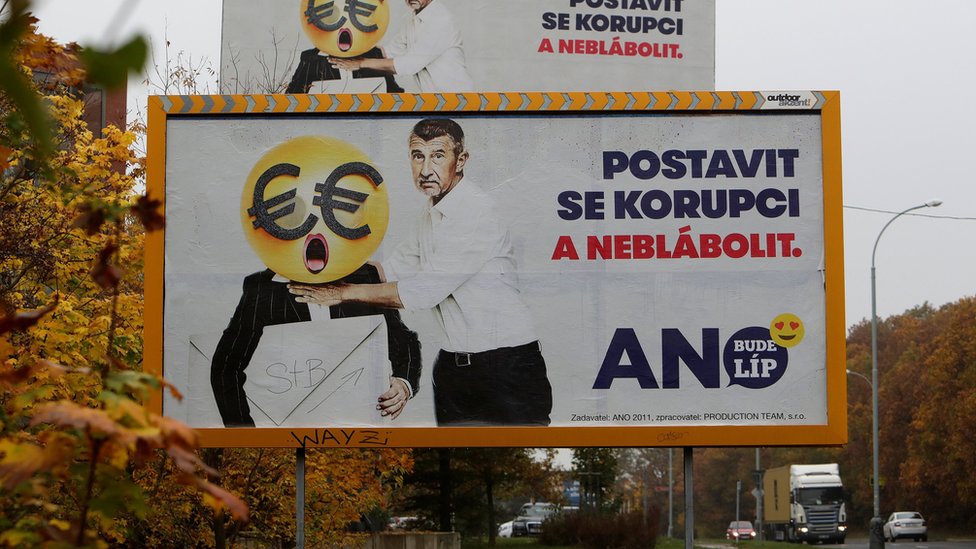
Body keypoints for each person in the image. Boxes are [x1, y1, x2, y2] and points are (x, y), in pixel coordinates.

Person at [288, 118, 552, 426]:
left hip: (508, 367)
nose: (426, 169)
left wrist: (341, 293)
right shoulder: (429, 213)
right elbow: (389, 270)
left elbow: (423, 291)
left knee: (513, 466)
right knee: (453, 468)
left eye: (438, 156)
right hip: (454, 370)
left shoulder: (476, 212)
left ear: (461, 159)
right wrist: (319, 260)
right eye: (418, 156)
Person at [210, 262, 422, 427]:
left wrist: (404, 383)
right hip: (285, 439)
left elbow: (405, 340)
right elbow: (226, 367)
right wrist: (246, 436)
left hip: (358, 433)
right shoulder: (262, 288)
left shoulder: (365, 275)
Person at [326, 0, 474, 93]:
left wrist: (360, 63)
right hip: (436, 101)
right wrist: (350, 45)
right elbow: (388, 53)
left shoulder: (441, 20)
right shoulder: (412, 19)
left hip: (459, 100)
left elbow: (409, 64)